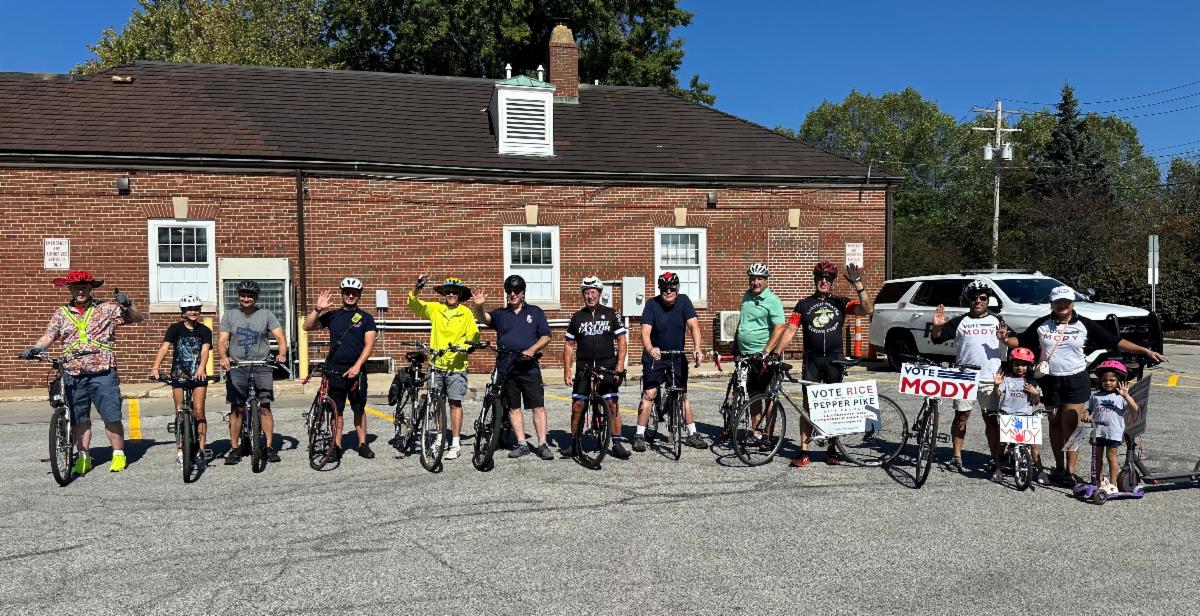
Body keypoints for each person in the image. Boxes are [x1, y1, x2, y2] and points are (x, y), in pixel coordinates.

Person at [1005, 285, 1165, 487]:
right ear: (1052, 304)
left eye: (1066, 301)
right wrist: (1003, 339)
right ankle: (1059, 467)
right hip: (1051, 380)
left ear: (1073, 303)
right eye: (1058, 302)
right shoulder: (1042, 324)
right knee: (1055, 425)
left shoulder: (1084, 324)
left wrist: (1144, 351)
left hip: (1076, 380)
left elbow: (1115, 341)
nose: (1062, 305)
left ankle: (1070, 472)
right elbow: (1021, 340)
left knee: (1070, 425)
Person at [21, 271, 144, 474]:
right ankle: (83, 457)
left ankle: (118, 455)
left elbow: (138, 318)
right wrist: (36, 349)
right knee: (79, 418)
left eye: (85, 287)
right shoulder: (61, 313)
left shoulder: (106, 308)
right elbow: (49, 336)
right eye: (76, 287)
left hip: (102, 370)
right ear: (70, 289)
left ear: (91, 289)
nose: (81, 291)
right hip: (73, 371)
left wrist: (128, 304)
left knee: (111, 415)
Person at [767, 261, 871, 467]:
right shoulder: (803, 304)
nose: (824, 281)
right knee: (807, 406)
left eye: (828, 278)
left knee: (834, 406)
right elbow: (790, 329)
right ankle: (804, 451)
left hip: (834, 360)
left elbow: (867, 309)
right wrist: (776, 352)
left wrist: (858, 284)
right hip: (812, 360)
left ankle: (833, 449)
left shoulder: (841, 302)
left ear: (833, 281)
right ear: (815, 280)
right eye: (820, 277)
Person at [471, 274, 554, 460]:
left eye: (516, 291)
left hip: (529, 367)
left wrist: (532, 350)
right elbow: (484, 318)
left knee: (538, 406)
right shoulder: (501, 314)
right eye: (509, 291)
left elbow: (546, 336)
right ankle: (522, 444)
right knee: (513, 407)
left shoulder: (535, 312)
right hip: (507, 367)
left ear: (523, 293)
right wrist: (478, 306)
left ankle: (542, 444)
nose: (513, 294)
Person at [929, 279, 1008, 472]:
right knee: (961, 417)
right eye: (974, 298)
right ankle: (956, 456)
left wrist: (1005, 339)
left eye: (982, 298)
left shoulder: (997, 320)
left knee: (991, 420)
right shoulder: (960, 321)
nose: (978, 301)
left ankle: (995, 459)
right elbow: (937, 338)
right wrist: (937, 326)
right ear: (968, 300)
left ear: (988, 300)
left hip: (990, 377)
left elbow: (1015, 341)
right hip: (964, 377)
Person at [304, 277, 379, 461]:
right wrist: (317, 310)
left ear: (359, 295)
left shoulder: (366, 318)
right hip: (334, 370)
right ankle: (336, 446)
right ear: (342, 294)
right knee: (336, 410)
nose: (350, 296)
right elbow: (307, 326)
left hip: (356, 370)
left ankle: (362, 444)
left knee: (358, 408)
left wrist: (357, 366)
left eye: (354, 293)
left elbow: (369, 345)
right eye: (347, 292)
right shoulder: (333, 316)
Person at [407, 275, 480, 461]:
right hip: (436, 365)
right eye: (448, 292)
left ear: (460, 294)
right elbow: (414, 304)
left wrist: (466, 346)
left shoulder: (465, 313)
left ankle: (455, 443)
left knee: (455, 403)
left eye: (455, 292)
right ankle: (440, 438)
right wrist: (417, 288)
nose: (451, 294)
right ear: (444, 294)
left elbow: (474, 336)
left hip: (456, 365)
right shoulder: (436, 309)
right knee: (436, 403)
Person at [632, 272, 707, 452]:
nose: (668, 292)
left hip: (676, 356)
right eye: (664, 289)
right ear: (660, 290)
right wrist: (650, 348)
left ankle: (692, 433)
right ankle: (639, 435)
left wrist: (697, 348)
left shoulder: (684, 301)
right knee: (650, 394)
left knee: (682, 394)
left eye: (672, 288)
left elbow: (694, 326)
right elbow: (645, 332)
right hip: (656, 357)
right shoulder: (652, 304)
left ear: (677, 289)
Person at [216, 280, 288, 465]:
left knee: (265, 406)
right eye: (243, 295)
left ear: (256, 298)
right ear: (239, 297)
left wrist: (281, 354)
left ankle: (269, 447)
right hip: (238, 366)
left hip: (262, 364)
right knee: (237, 408)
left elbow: (280, 337)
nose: (246, 299)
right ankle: (234, 448)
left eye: (250, 296)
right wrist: (223, 357)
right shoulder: (230, 315)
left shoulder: (266, 314)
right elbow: (222, 340)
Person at [562, 276, 630, 460]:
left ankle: (616, 443)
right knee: (578, 405)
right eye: (586, 293)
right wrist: (567, 370)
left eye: (593, 292)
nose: (590, 296)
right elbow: (569, 345)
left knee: (612, 404)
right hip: (584, 367)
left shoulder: (611, 313)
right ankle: (574, 443)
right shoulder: (577, 317)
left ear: (599, 294)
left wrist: (619, 366)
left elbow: (621, 340)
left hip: (607, 365)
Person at [149, 294, 212, 468]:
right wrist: (155, 367)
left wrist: (201, 368)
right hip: (179, 373)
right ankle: (180, 450)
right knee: (179, 412)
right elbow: (164, 348)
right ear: (183, 312)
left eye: (196, 309)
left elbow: (205, 351)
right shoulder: (175, 328)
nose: (193, 312)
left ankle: (200, 450)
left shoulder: (205, 331)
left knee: (199, 411)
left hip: (198, 375)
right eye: (189, 309)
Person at [733, 262, 787, 442]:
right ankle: (756, 433)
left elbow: (780, 327)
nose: (755, 282)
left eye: (759, 279)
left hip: (764, 356)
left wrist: (765, 352)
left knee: (769, 396)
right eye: (752, 278)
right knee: (754, 395)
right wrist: (736, 343)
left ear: (765, 280)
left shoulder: (772, 300)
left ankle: (768, 436)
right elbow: (744, 322)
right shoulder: (746, 296)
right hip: (746, 355)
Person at [988, 347, 1043, 483]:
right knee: (1002, 444)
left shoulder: (1032, 382)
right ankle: (998, 469)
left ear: (1029, 366)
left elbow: (1036, 402)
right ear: (1011, 364)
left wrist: (1035, 393)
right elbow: (997, 395)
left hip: (1026, 416)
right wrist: (996, 385)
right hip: (1007, 415)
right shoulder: (1006, 379)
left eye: (1024, 365)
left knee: (1033, 445)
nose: (1020, 368)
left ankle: (1041, 472)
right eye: (1017, 364)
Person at [1083, 360, 1139, 493]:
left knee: (1111, 457)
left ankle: (1113, 484)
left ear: (1119, 381)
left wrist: (1126, 396)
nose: (1108, 383)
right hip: (1097, 433)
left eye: (1112, 380)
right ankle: (1096, 481)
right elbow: (1088, 409)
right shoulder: (1096, 396)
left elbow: (1135, 409)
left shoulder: (1121, 398)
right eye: (1105, 380)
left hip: (1113, 433)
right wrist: (1085, 414)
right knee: (1096, 458)